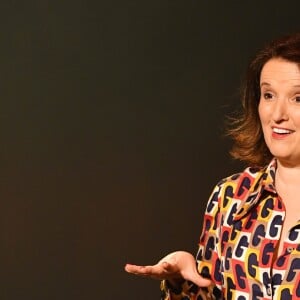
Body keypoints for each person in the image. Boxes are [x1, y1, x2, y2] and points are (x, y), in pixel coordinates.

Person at [124, 32, 300, 299]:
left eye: (297, 98)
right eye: (268, 95)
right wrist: (181, 282)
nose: (277, 114)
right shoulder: (231, 197)